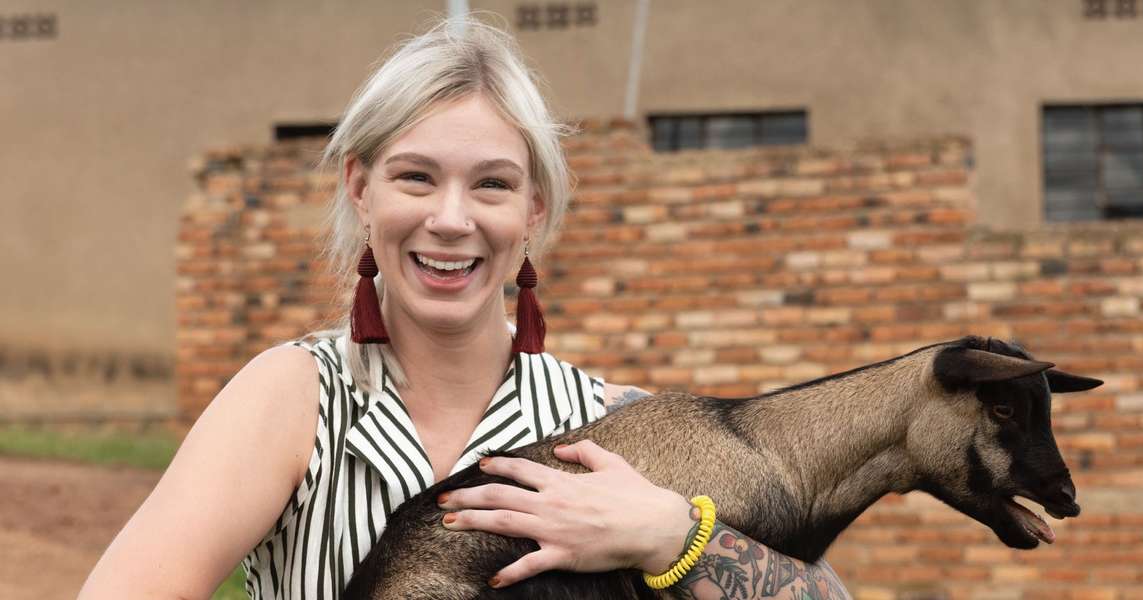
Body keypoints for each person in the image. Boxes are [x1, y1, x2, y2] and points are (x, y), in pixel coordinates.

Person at [80, 16, 850, 600]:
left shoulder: (608, 426)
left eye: (491, 184)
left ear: (534, 212)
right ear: (361, 188)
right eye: (416, 177)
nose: (452, 218)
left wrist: (669, 535)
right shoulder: (296, 397)